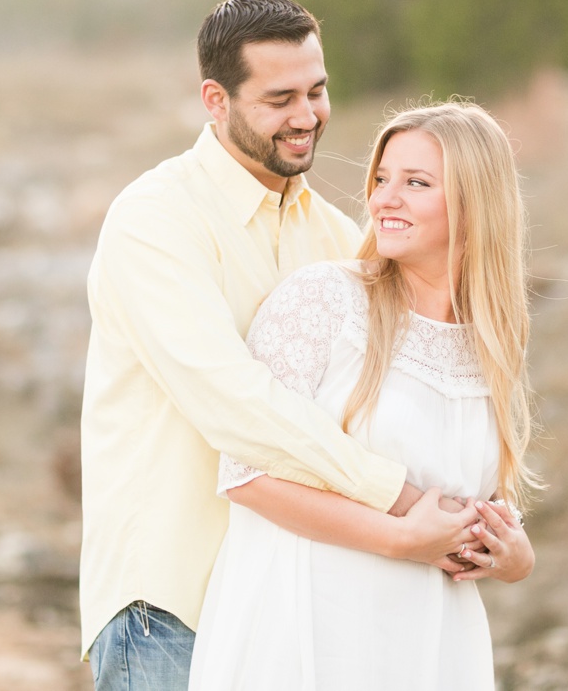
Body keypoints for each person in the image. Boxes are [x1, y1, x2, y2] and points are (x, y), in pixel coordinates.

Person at [80, 0, 514, 691]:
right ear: (215, 101)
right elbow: (236, 407)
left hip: (295, 611)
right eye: (279, 98)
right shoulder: (155, 222)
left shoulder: (341, 238)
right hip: (170, 605)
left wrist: (490, 532)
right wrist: (401, 503)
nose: (307, 116)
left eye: (317, 90)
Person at [188, 100, 540, 690]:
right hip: (306, 629)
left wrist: (513, 556)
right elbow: (246, 476)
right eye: (381, 179)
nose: (384, 199)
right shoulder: (323, 300)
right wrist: (400, 539)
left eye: (416, 183)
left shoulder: (492, 340)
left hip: (430, 644)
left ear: (476, 204)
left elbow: (475, 500)